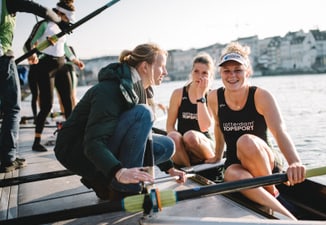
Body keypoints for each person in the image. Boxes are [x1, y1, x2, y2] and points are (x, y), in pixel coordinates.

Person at [54, 43, 187, 201]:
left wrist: (170, 168)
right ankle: (124, 187)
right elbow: (93, 143)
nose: (165, 72)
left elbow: (143, 136)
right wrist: (118, 171)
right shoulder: (111, 90)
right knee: (143, 113)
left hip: (101, 144)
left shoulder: (139, 88)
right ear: (145, 67)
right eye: (162, 66)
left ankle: (108, 178)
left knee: (167, 145)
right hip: (77, 151)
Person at [206, 42, 306, 220]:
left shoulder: (261, 96)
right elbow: (218, 127)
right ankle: (287, 215)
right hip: (234, 161)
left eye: (238, 70)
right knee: (231, 174)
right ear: (220, 73)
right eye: (226, 71)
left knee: (246, 141)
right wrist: (216, 155)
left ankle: (270, 194)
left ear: (248, 71)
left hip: (264, 158)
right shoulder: (213, 97)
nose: (232, 75)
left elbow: (280, 131)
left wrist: (294, 162)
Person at [0, 0, 61, 172]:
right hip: (2, 57)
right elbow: (38, 9)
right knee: (12, 108)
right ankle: (8, 159)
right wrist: (59, 20)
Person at [24, 0, 84, 152]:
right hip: (46, 68)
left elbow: (64, 46)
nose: (69, 22)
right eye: (67, 18)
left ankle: (71, 139)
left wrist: (75, 60)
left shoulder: (62, 28)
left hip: (62, 66)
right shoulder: (44, 25)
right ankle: (37, 141)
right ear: (60, 13)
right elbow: (28, 44)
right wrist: (31, 55)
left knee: (69, 104)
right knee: (47, 106)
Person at [166, 53, 215, 167]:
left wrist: (200, 95)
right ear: (191, 72)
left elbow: (204, 126)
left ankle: (212, 168)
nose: (199, 76)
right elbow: (170, 126)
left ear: (210, 76)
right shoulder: (178, 94)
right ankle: (189, 170)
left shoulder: (212, 95)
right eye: (196, 71)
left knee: (191, 136)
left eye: (204, 73)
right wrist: (178, 141)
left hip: (203, 143)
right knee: (172, 137)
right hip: (183, 143)